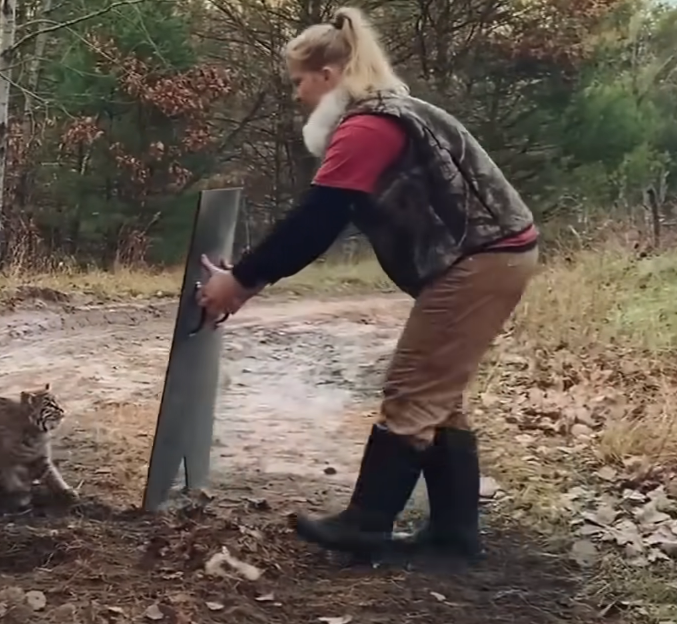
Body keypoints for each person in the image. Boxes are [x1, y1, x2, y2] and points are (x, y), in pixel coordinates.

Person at [196, 5, 538, 563]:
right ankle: (454, 536)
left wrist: (242, 281)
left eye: (298, 81)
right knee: (438, 397)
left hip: (481, 259)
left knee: (410, 389)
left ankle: (366, 524)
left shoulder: (368, 127)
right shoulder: (385, 115)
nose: (297, 94)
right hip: (491, 256)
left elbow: (317, 220)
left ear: (328, 76)